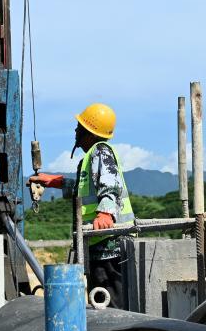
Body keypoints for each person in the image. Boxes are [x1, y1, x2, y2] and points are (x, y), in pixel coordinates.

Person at [27, 103, 135, 308]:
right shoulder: (90, 157)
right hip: (99, 246)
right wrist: (53, 181)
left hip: (110, 248)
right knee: (102, 304)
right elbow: (83, 190)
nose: (76, 131)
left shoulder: (100, 152)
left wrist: (105, 214)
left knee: (112, 307)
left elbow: (110, 185)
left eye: (80, 127)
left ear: (90, 132)